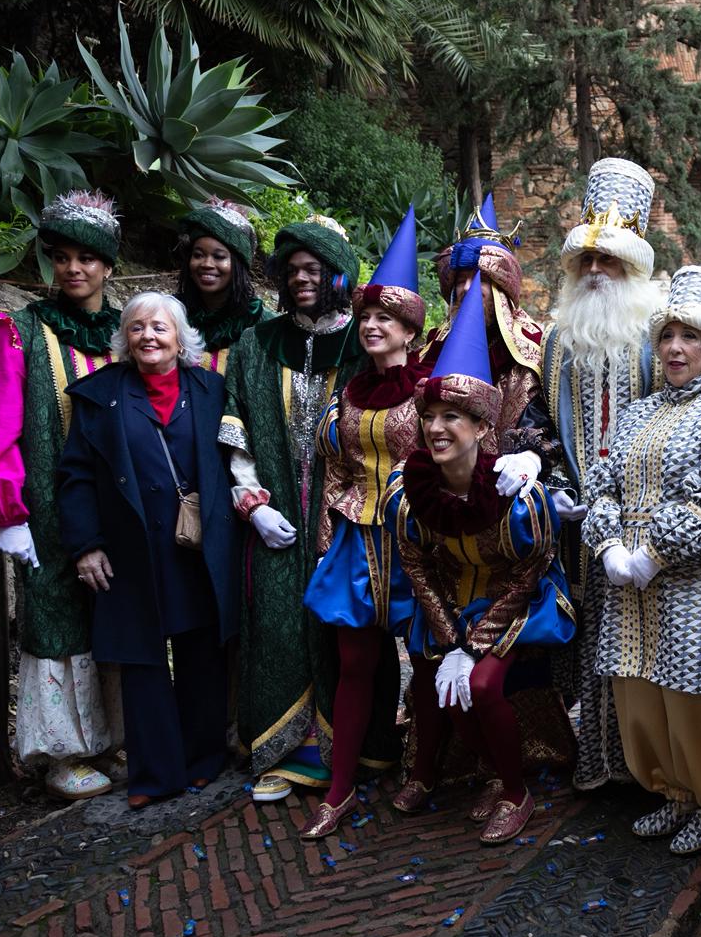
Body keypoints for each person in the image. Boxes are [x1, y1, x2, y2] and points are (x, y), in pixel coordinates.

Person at [583, 266, 701, 856]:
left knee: (700, 694)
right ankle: (674, 792)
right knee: (643, 690)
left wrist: (656, 552)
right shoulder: (639, 412)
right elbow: (602, 482)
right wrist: (611, 545)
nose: (674, 347)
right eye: (667, 335)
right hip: (631, 585)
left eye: (689, 337)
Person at [386, 278, 576, 844]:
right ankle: (477, 767)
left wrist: (474, 647)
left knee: (486, 684)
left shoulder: (519, 497)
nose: (438, 428)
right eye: (431, 416)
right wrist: (449, 641)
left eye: (454, 418)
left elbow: (531, 569)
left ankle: (515, 793)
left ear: (482, 428)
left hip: (513, 602)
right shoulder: (410, 493)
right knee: (439, 682)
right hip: (450, 601)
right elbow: (416, 566)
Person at [0, 189, 127, 800]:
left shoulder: (126, 331)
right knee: (56, 621)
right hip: (47, 509)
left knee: (117, 618)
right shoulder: (20, 332)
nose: (73, 269)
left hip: (119, 505)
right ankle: (61, 753)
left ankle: (114, 739)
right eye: (61, 257)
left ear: (109, 265)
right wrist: (7, 513)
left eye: (87, 258)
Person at [56, 292, 240, 808]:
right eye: (137, 328)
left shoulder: (212, 390)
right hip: (130, 547)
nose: (148, 336)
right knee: (142, 660)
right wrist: (86, 546)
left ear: (180, 337)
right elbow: (75, 479)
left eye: (160, 327)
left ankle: (203, 759)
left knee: (202, 650)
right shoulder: (99, 396)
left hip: (197, 543)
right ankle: (155, 775)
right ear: (125, 339)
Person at [218, 214, 364, 802]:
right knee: (277, 626)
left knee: (342, 634)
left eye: (314, 269)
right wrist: (250, 502)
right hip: (277, 514)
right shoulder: (258, 344)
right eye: (293, 271)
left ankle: (352, 751)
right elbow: (239, 426)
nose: (302, 279)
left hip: (346, 517)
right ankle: (283, 751)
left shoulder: (365, 341)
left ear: (336, 275)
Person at [299, 209, 431, 838]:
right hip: (356, 541)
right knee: (355, 666)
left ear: (410, 329)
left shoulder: (433, 391)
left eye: (387, 317)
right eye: (367, 316)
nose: (373, 325)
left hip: (417, 543)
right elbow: (333, 474)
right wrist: (328, 541)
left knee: (429, 663)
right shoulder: (346, 392)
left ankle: (424, 769)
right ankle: (341, 786)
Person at [542, 156, 662, 790]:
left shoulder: (659, 336)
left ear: (633, 266)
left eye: (607, 260)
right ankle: (594, 761)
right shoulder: (557, 340)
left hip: (641, 528)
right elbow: (538, 418)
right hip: (574, 526)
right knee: (583, 636)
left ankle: (647, 767)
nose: (594, 272)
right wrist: (559, 486)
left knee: (643, 638)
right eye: (585, 261)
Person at [427, 194, 558, 486]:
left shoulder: (534, 347)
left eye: (477, 279)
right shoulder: (434, 346)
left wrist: (529, 458)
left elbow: (545, 425)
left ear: (500, 287)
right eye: (459, 280)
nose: (465, 289)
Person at [173, 198, 271, 372]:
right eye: (198, 255)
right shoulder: (171, 313)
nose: (207, 264)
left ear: (239, 264)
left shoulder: (261, 322)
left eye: (219, 257)